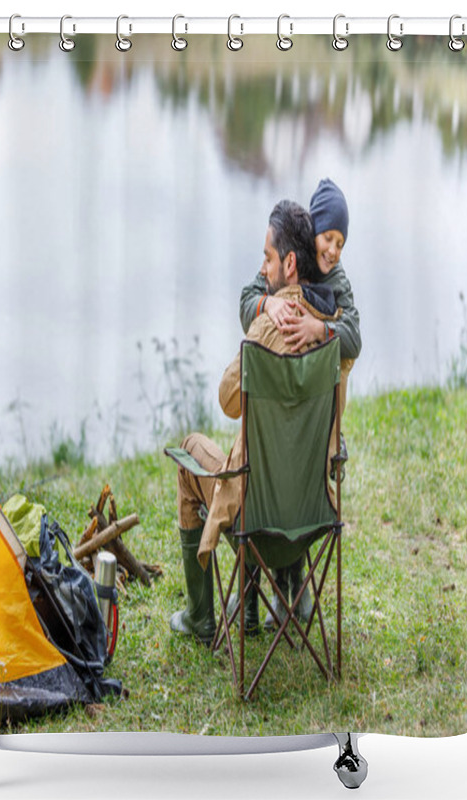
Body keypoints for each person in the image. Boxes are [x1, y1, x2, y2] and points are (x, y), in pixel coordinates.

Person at [170, 200, 347, 644]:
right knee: (264, 465)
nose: (261, 268)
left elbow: (228, 400)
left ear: (288, 262)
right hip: (311, 515)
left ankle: (200, 618)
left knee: (193, 451)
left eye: (267, 258)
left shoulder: (265, 331)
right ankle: (252, 605)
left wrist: (264, 312)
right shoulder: (333, 333)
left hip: (256, 516)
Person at [239, 178, 361, 629]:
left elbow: (355, 337)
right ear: (312, 233)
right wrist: (265, 308)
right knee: (281, 461)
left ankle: (278, 595)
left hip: (314, 422)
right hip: (292, 430)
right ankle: (287, 594)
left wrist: (320, 330)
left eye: (341, 243)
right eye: (329, 238)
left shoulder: (338, 284)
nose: (333, 250)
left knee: (266, 464)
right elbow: (250, 295)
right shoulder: (287, 254)